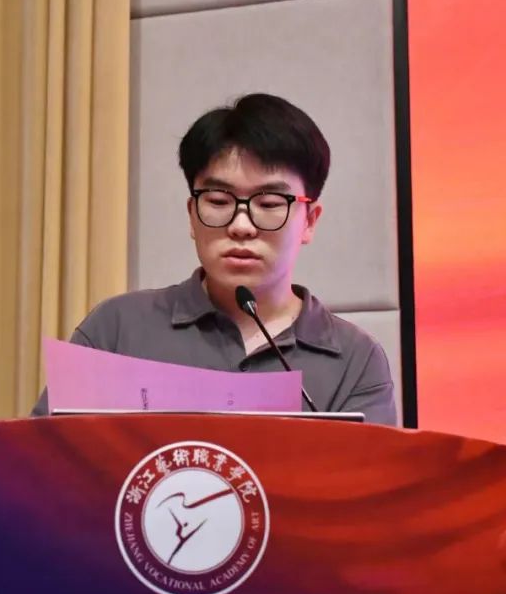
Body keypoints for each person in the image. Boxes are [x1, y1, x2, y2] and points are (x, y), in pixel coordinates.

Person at [32, 93, 397, 424]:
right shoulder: (117, 330)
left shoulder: (354, 360)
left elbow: (369, 477)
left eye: (269, 203)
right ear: (192, 214)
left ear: (310, 221)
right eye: (219, 201)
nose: (241, 226)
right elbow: (40, 462)